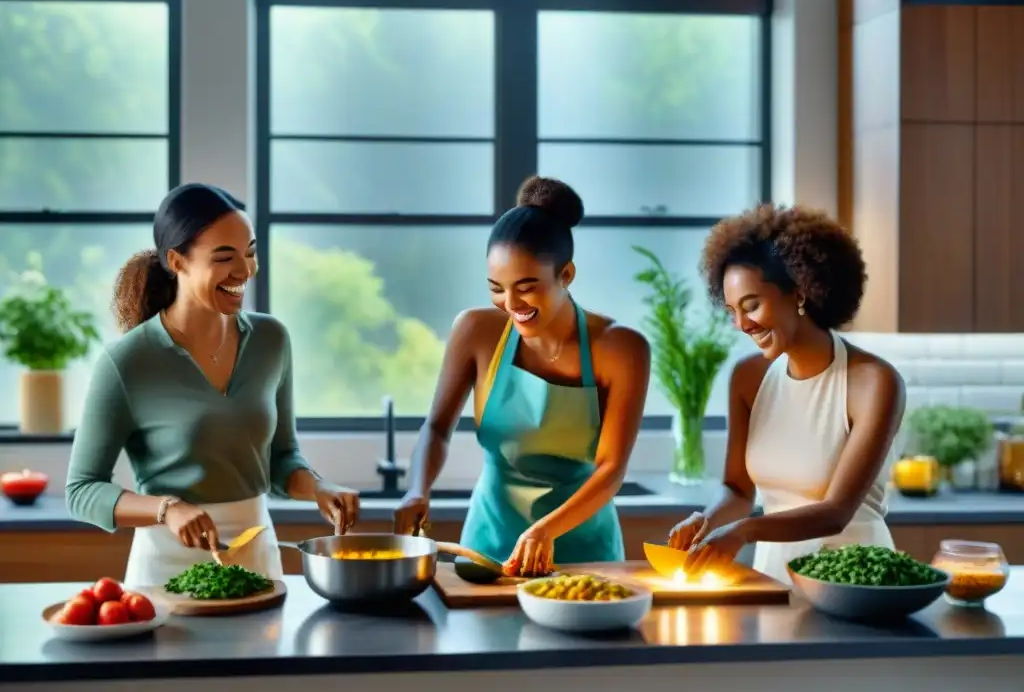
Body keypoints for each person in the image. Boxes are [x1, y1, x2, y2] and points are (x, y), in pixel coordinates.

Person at [65, 183, 359, 587]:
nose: (244, 272)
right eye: (225, 258)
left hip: (256, 559)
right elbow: (82, 491)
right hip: (165, 568)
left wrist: (320, 488)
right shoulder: (128, 362)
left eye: (251, 253)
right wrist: (168, 509)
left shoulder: (271, 340)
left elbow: (282, 459)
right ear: (177, 262)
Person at [393, 176, 651, 576]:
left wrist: (544, 531)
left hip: (583, 549)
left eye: (527, 287)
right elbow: (437, 428)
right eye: (496, 288)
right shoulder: (476, 331)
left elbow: (611, 469)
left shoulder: (621, 348)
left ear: (566, 275)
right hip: (488, 546)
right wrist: (416, 490)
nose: (511, 304)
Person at [665, 203, 906, 584]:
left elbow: (836, 512)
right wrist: (706, 520)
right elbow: (738, 490)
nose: (741, 324)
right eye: (731, 311)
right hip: (772, 576)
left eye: (752, 305)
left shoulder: (874, 382)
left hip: (857, 583)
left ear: (799, 292)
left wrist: (743, 532)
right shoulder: (747, 378)